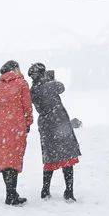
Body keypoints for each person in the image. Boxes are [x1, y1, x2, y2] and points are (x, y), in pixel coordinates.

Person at [28, 64, 81, 202]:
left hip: (46, 125)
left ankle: (45, 190)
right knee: (67, 156)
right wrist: (50, 80)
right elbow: (61, 87)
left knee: (50, 156)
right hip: (60, 122)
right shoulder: (50, 85)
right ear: (43, 73)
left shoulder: (32, 89)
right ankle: (69, 191)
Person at [0, 60, 34, 206]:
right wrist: (28, 122)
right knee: (13, 159)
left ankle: (10, 193)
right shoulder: (22, 84)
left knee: (5, 159)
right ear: (15, 69)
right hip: (15, 125)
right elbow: (27, 106)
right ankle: (11, 195)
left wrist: (2, 117)